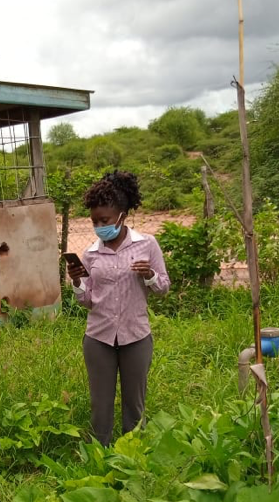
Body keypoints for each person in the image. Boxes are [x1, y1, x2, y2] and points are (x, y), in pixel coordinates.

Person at [66, 170, 170, 446]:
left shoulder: (147, 245)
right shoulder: (90, 253)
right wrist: (77, 281)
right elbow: (87, 301)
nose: (100, 226)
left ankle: (132, 454)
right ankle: (100, 455)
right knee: (100, 404)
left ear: (122, 215)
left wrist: (148, 275)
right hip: (98, 337)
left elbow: (163, 289)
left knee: (134, 403)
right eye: (95, 221)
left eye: (105, 220)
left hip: (136, 336)